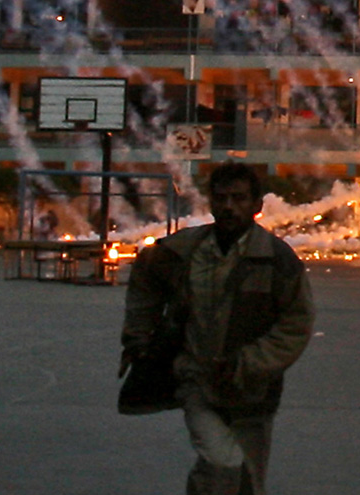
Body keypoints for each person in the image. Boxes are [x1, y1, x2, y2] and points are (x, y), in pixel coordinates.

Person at [121, 163, 314, 495]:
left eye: (238, 198)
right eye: (221, 198)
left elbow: (296, 324)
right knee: (222, 462)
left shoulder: (277, 260)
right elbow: (145, 278)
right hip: (196, 379)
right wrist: (139, 335)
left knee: (248, 480)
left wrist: (250, 363)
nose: (228, 206)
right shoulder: (184, 250)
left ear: (257, 205)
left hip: (251, 391)